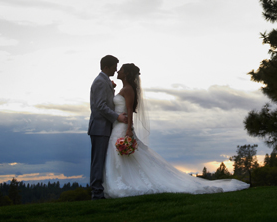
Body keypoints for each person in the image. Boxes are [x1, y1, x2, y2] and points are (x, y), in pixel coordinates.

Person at [103, 63, 250, 197]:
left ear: (127, 73)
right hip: (118, 126)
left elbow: (129, 110)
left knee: (124, 155)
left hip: (123, 127)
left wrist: (129, 130)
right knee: (124, 157)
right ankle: (125, 180)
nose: (118, 71)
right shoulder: (124, 89)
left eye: (121, 69)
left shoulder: (128, 90)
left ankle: (126, 183)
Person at [88, 55, 128, 200]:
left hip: (104, 127)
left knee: (101, 160)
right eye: (114, 67)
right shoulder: (100, 81)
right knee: (98, 160)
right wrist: (117, 117)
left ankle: (99, 190)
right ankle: (96, 192)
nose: (116, 69)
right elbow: (100, 105)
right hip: (99, 128)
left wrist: (111, 88)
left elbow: (105, 101)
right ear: (106, 67)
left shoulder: (104, 81)